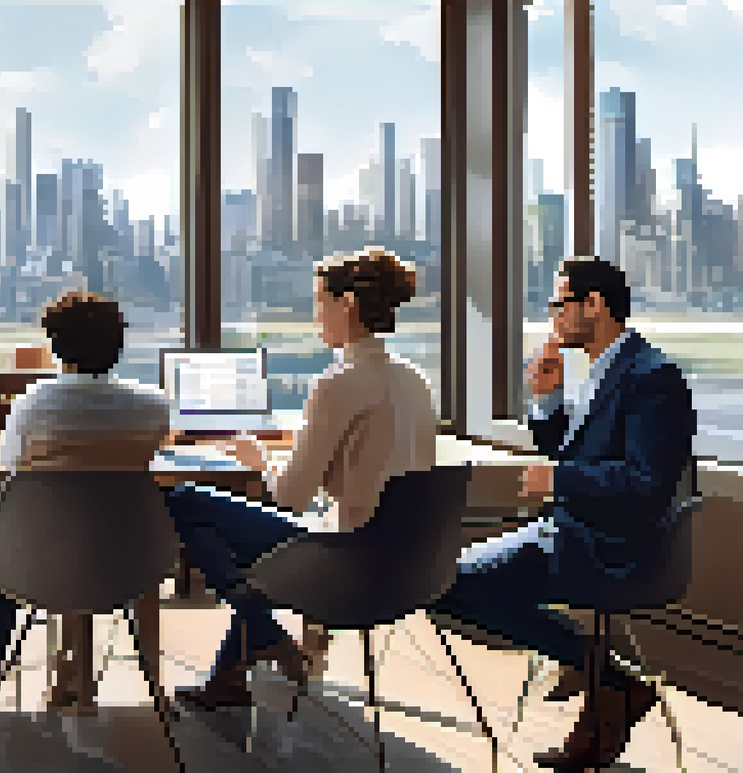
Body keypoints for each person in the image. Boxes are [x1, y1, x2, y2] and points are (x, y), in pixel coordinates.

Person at [432, 256, 695, 770]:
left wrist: (559, 480)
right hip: (573, 532)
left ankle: (607, 680)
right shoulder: (609, 368)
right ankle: (604, 678)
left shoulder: (651, 376)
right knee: (448, 580)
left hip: (610, 550)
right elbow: (580, 454)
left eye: (559, 304)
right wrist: (547, 402)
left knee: (446, 583)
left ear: (593, 305)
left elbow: (645, 486)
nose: (552, 316)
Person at [167, 247, 437, 713]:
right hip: (410, 564)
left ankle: (266, 634)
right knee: (265, 543)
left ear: (347, 304)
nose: (316, 316)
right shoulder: (413, 377)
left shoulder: (340, 378)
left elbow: (288, 498)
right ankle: (230, 674)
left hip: (347, 561)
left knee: (186, 501)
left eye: (319, 302)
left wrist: (259, 459)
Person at [0, 291, 173, 719]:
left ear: (56, 347)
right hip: (130, 555)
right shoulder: (152, 405)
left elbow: (11, 464)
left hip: (41, 555)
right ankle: (88, 674)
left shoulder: (33, 404)